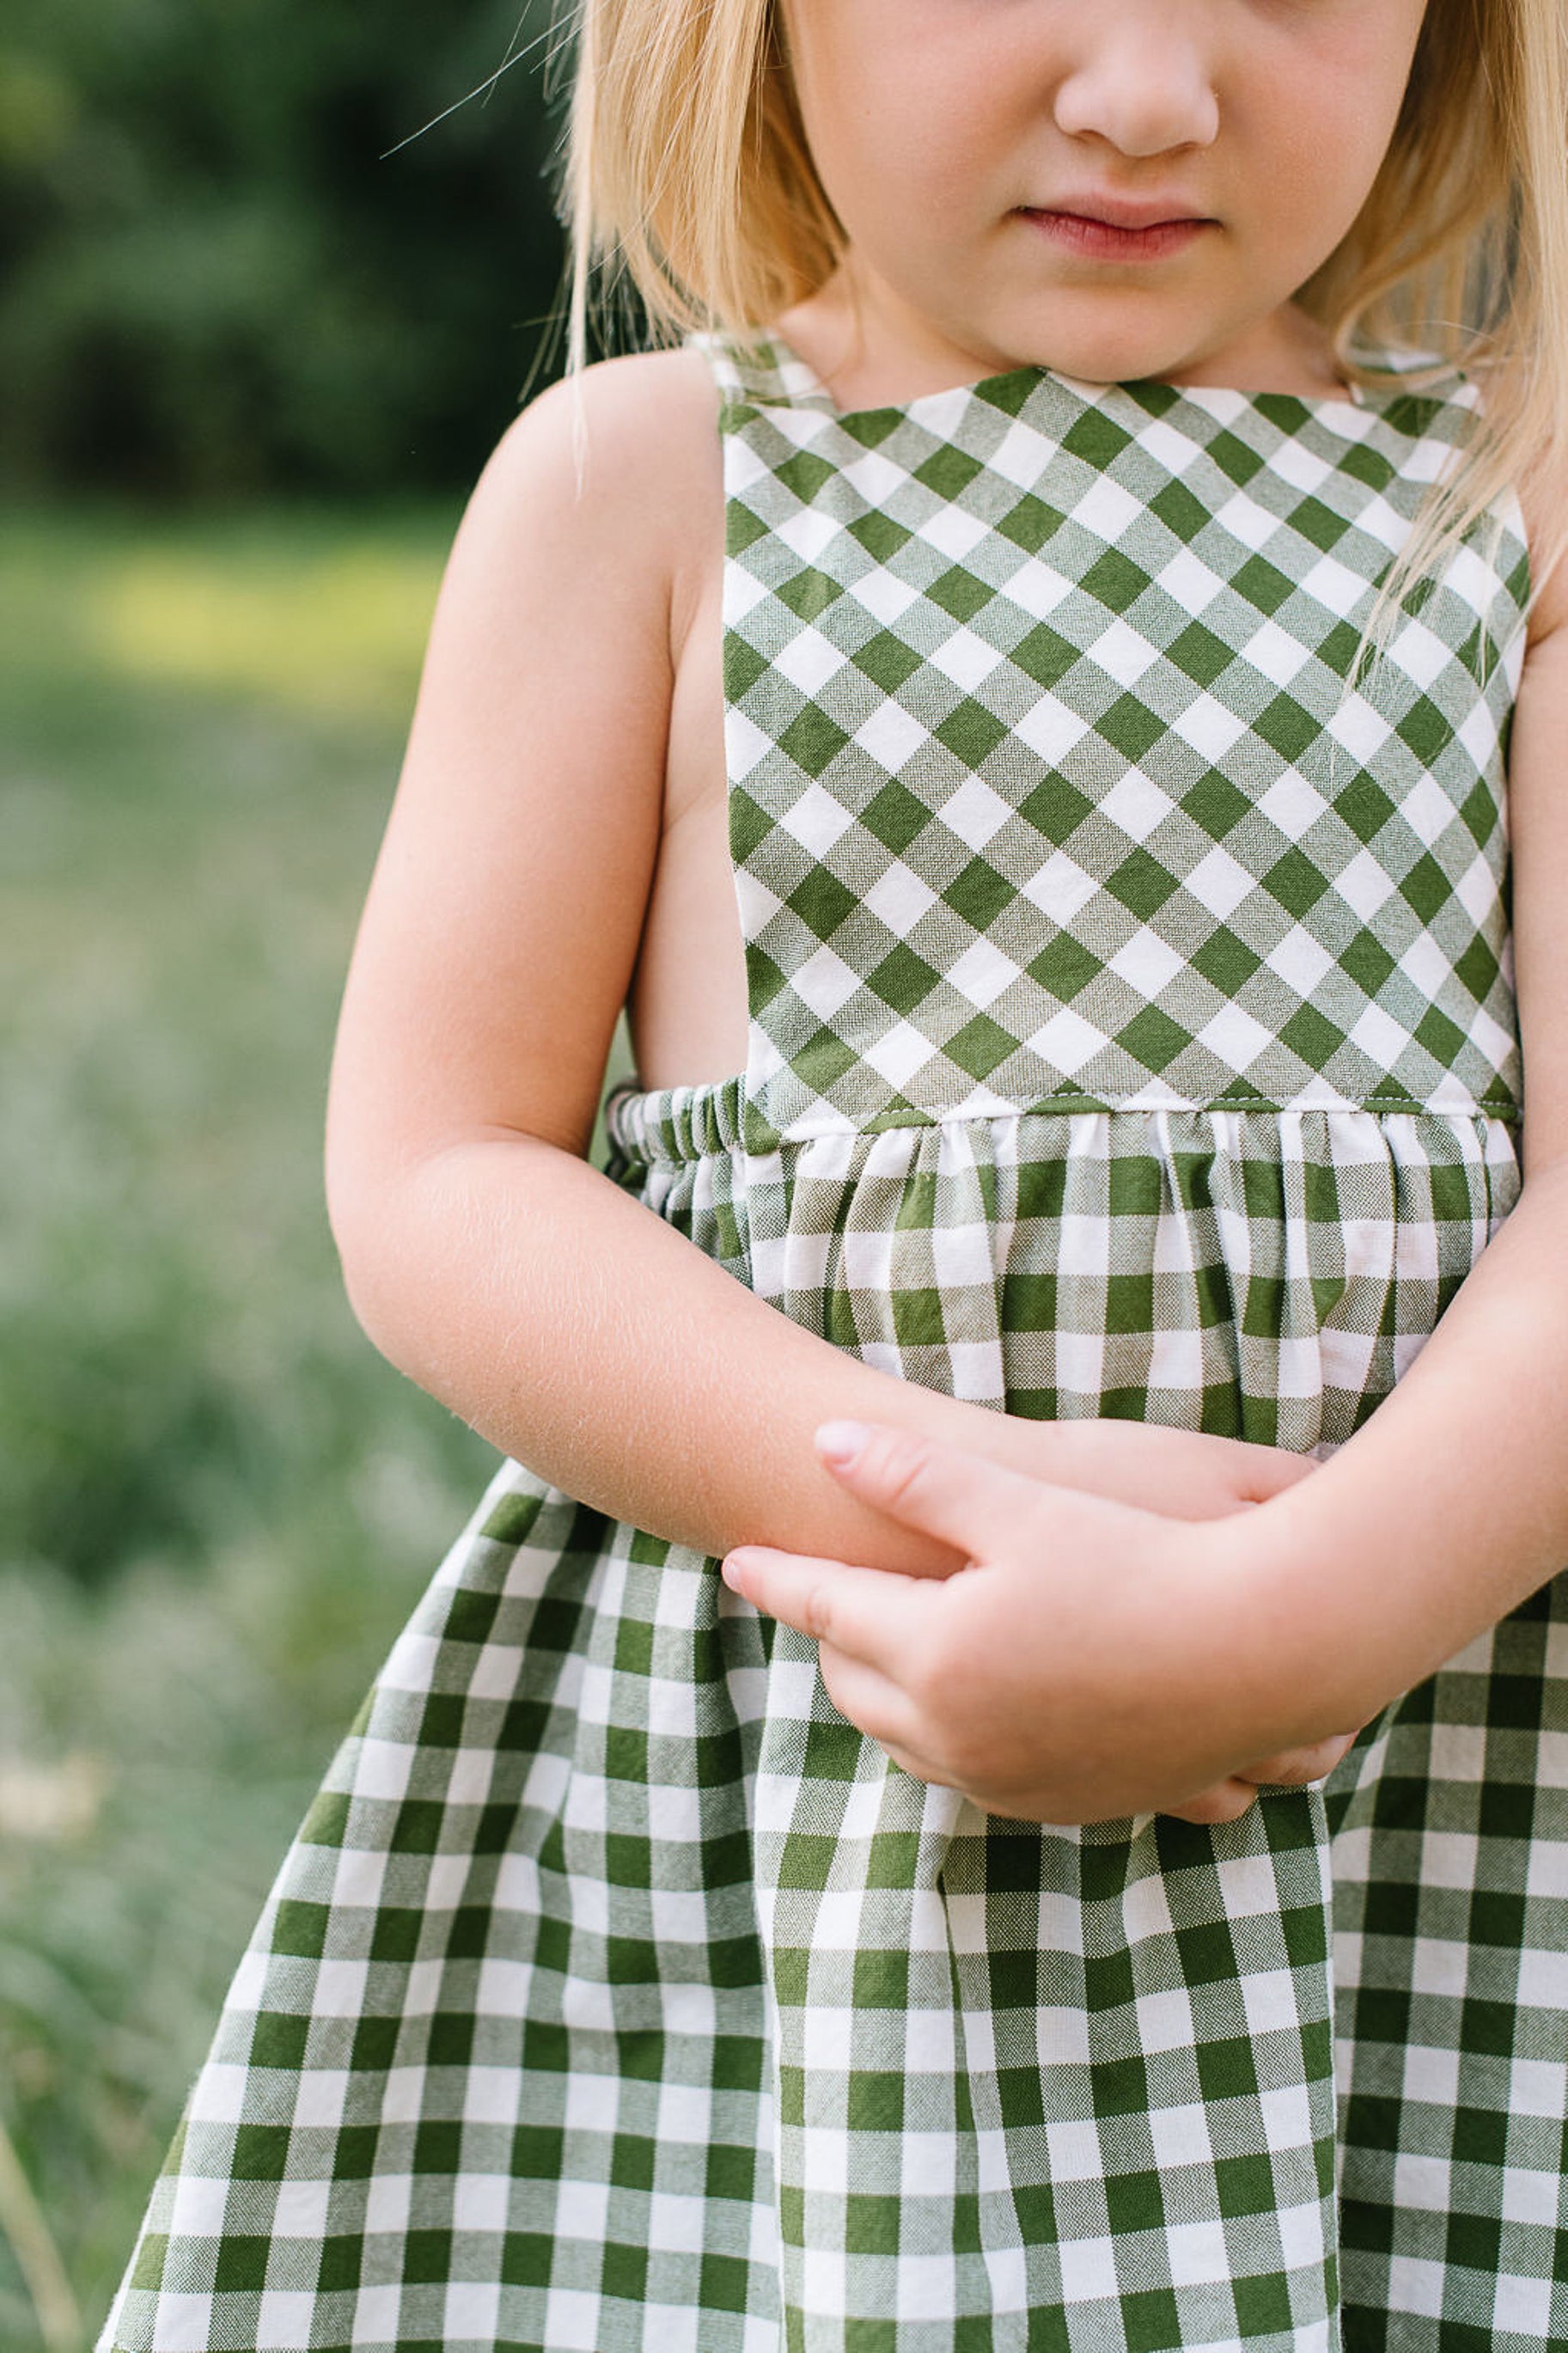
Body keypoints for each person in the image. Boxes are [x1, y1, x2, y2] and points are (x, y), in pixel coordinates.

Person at [99, 0, 1568, 2342]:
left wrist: (1289, 1625)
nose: (1147, 93)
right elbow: (445, 1164)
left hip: (1420, 1759)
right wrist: (963, 1517)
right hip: (813, 1782)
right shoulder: (642, 488)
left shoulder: (1509, 501)